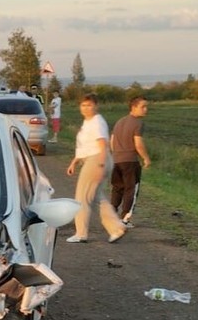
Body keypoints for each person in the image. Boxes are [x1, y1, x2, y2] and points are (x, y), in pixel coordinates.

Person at [65, 93, 126, 244]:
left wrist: (100, 164)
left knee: (82, 198)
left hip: (98, 159)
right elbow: (85, 146)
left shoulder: (97, 122)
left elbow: (102, 145)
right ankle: (116, 227)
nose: (86, 108)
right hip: (96, 159)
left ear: (96, 106)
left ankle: (81, 233)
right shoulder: (88, 122)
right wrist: (74, 162)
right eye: (83, 105)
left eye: (89, 105)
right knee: (97, 198)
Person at [110, 96, 151, 226]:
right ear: (133, 107)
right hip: (130, 161)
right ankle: (125, 218)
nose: (146, 109)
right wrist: (146, 158)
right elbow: (138, 143)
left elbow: (111, 141)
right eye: (143, 107)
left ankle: (111, 214)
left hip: (116, 160)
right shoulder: (138, 123)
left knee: (117, 188)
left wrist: (116, 154)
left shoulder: (119, 121)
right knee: (131, 190)